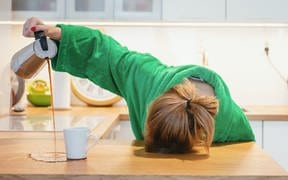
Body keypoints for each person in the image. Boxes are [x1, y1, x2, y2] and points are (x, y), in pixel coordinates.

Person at [22, 17, 255, 154]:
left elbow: (245, 157)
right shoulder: (145, 78)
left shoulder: (229, 123)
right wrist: (61, 35)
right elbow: (107, 53)